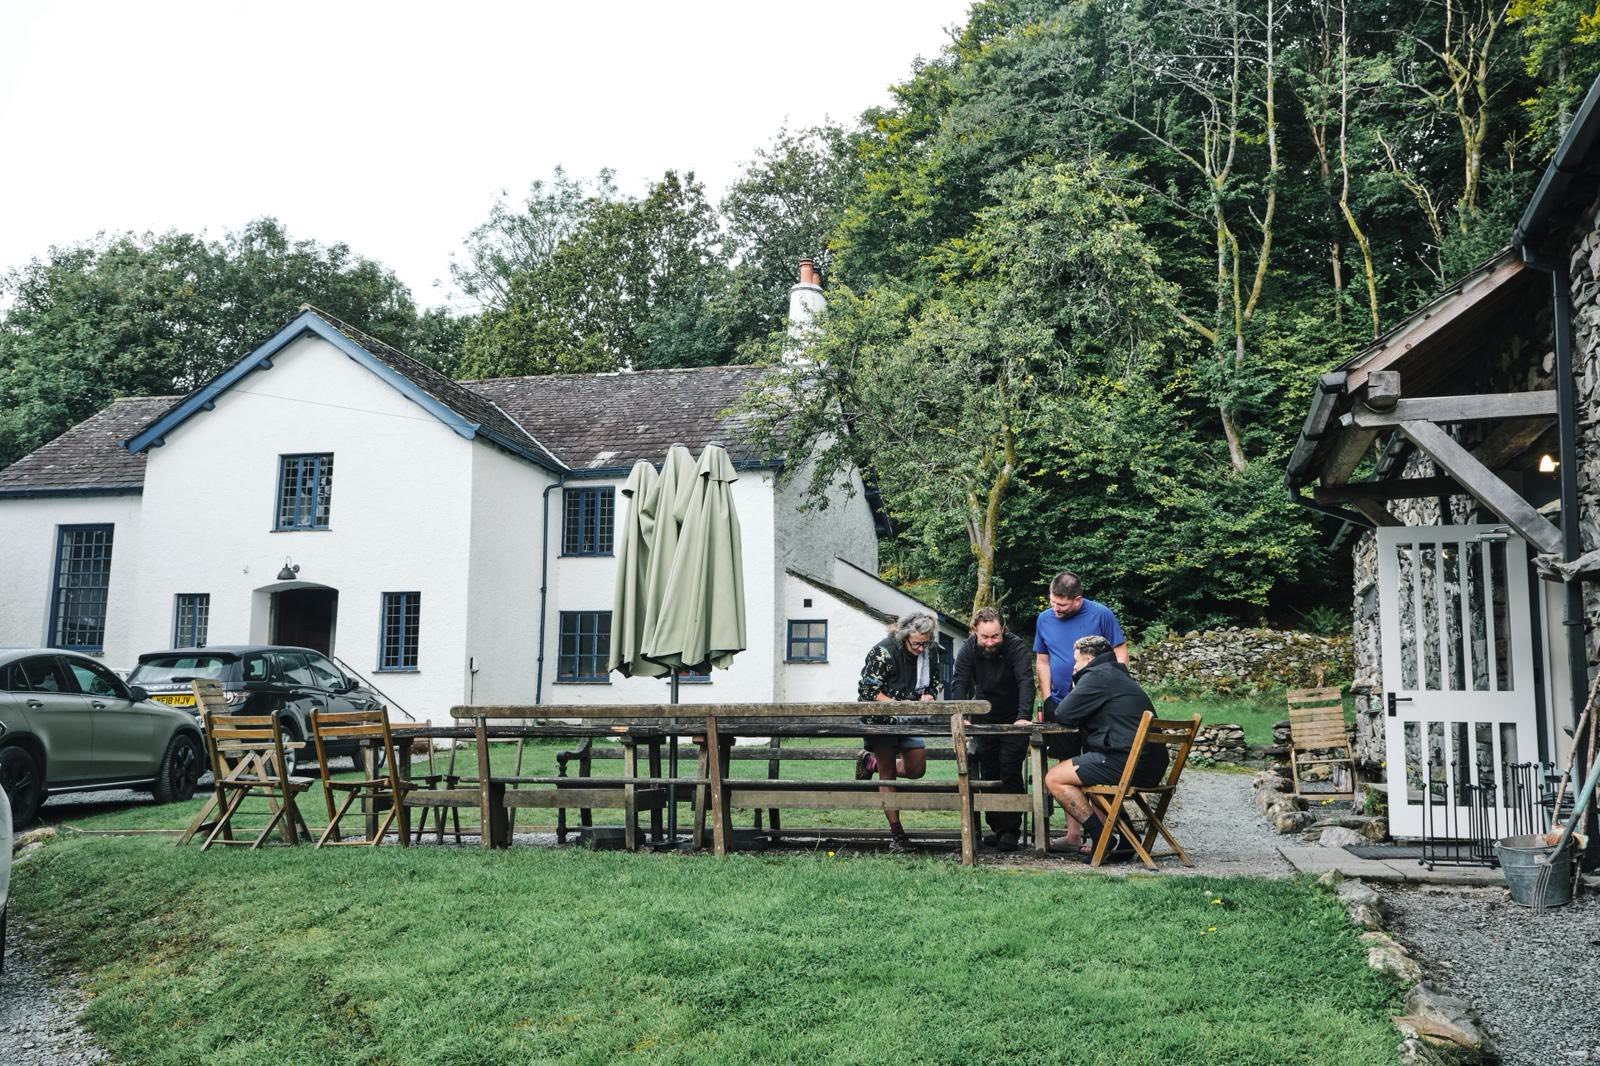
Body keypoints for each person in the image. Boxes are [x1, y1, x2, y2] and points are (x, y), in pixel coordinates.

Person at [1042, 635, 1167, 863]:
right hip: (1151, 765)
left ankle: (1101, 837)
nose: (1075, 667)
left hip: (1127, 762)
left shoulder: (1096, 676)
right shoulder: (1119, 675)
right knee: (1090, 779)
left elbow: (1064, 713)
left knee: (1054, 778)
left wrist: (1075, 681)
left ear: (1089, 659)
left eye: (1076, 662)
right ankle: (1128, 840)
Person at [1032, 570, 1127, 846]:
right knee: (1065, 764)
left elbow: (1120, 654)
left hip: (1097, 705)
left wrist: (1114, 690)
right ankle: (1074, 834)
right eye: (1052, 602)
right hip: (1062, 703)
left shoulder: (1101, 615)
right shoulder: (1044, 619)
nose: (1055, 609)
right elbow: (1042, 660)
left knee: (1095, 763)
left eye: (1061, 605)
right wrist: (1048, 697)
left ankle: (1102, 833)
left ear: (1077, 600)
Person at [949, 607, 1034, 852]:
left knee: (1009, 769)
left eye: (994, 636)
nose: (989, 642)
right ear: (975, 631)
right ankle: (996, 827)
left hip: (1012, 717)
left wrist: (1023, 716)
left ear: (1003, 631)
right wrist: (961, 715)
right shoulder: (968, 648)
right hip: (982, 717)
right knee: (988, 770)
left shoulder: (1015, 647)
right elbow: (960, 681)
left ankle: (1011, 830)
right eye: (985, 637)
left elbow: (1026, 681)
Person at [856, 612, 942, 852]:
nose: (920, 648)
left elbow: (934, 682)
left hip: (911, 718)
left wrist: (929, 695)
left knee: (916, 769)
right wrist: (893, 704)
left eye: (925, 643)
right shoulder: (883, 652)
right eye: (916, 643)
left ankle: (868, 762)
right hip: (881, 719)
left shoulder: (930, 651)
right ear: (904, 636)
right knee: (888, 775)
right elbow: (868, 690)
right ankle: (897, 833)